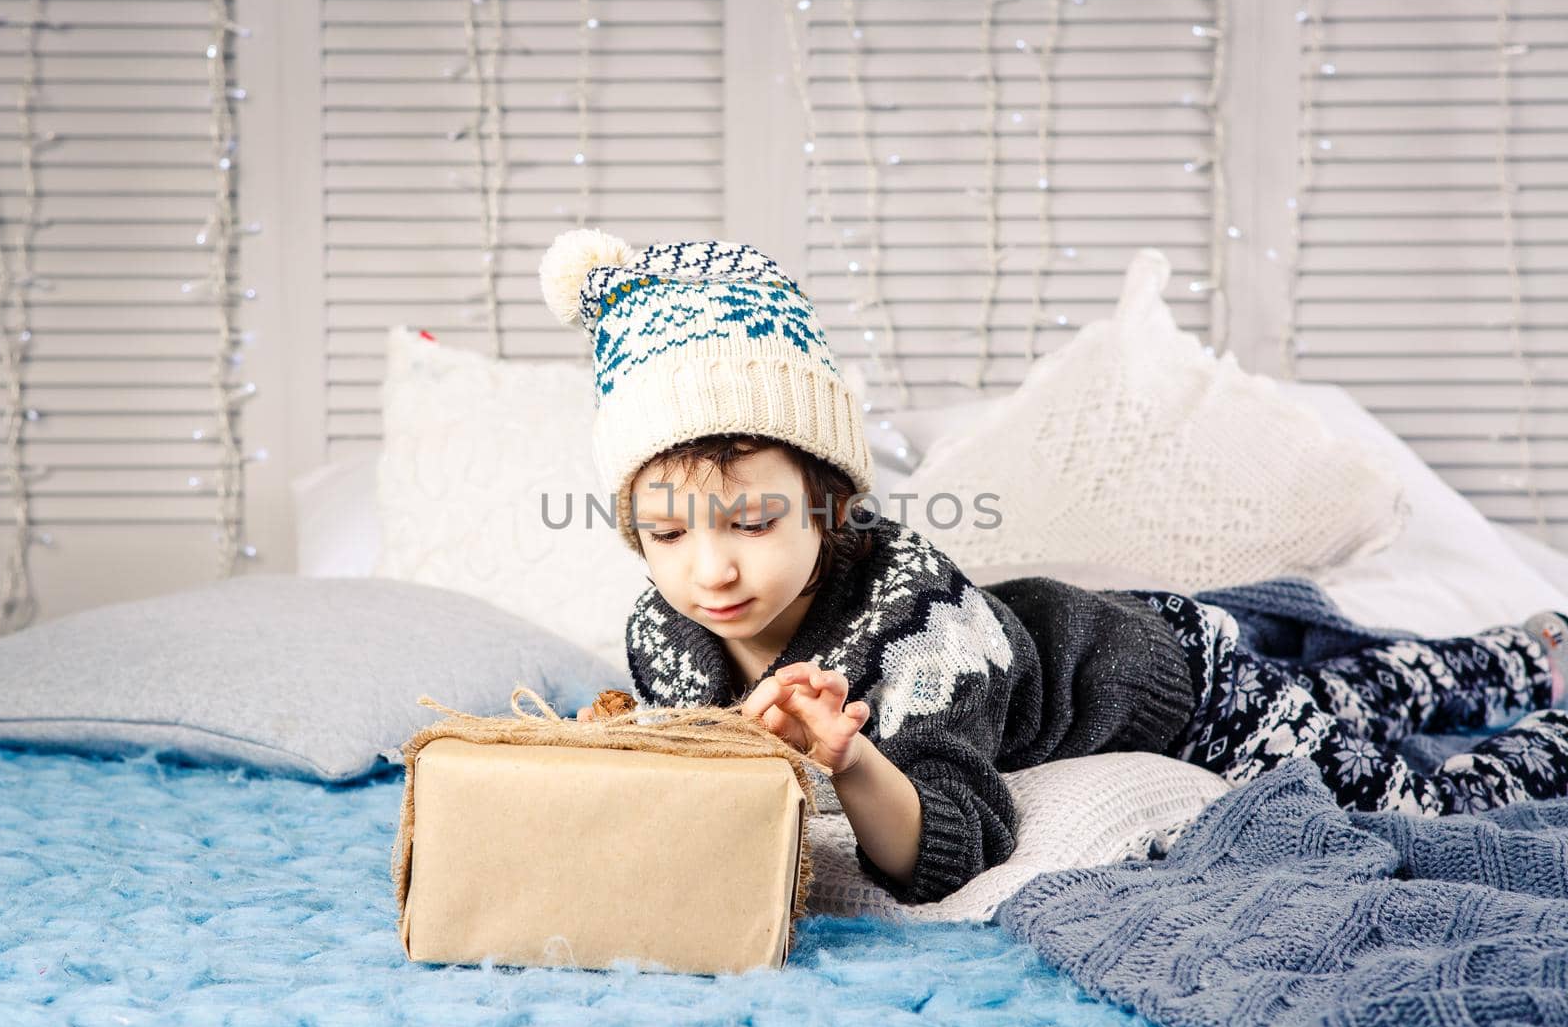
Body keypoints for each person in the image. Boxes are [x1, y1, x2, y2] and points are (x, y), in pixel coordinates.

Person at [539, 227, 1568, 906]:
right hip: (1097, 624)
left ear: (827, 503)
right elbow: (697, 735)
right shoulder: (665, 628)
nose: (709, 569)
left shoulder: (907, 625)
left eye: (752, 520)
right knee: (1353, 689)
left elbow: (955, 838)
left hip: (1184, 688)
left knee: (1399, 787)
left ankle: (1539, 690)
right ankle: (1522, 647)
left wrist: (850, 759)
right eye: (667, 533)